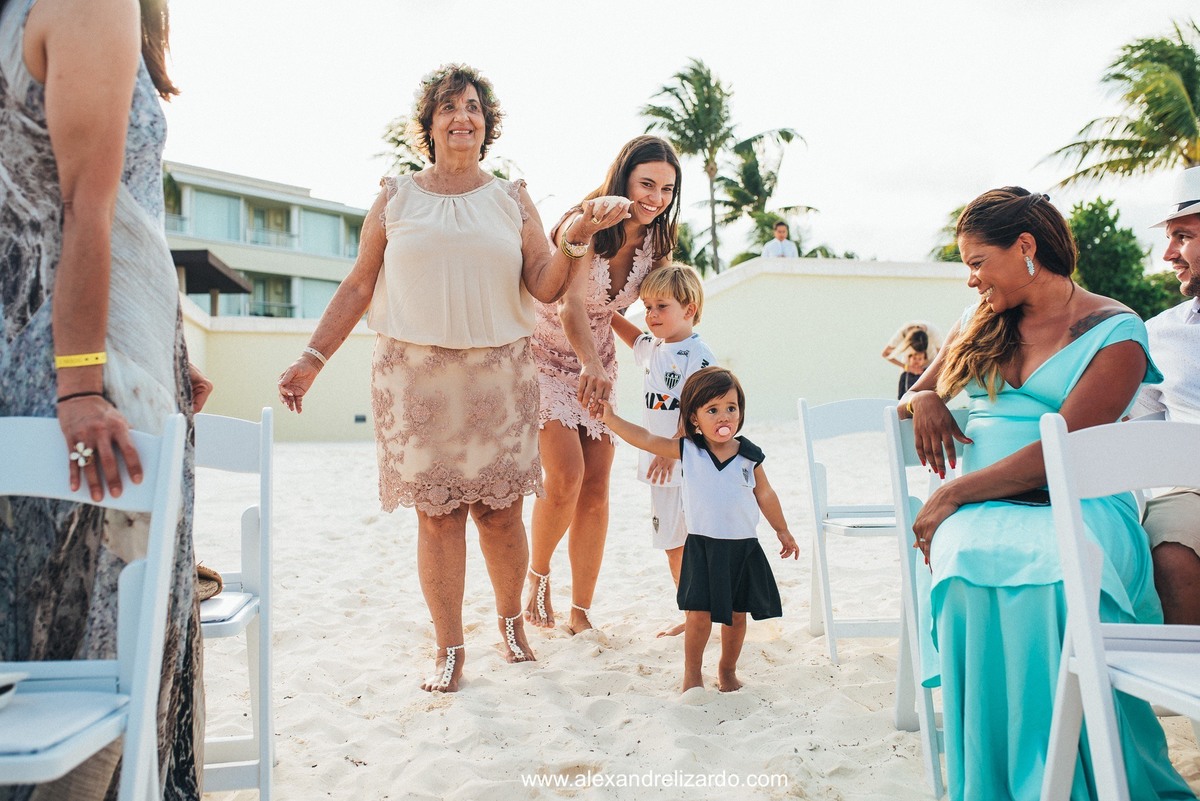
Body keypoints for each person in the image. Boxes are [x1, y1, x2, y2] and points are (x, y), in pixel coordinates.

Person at [276, 64, 600, 693]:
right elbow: (358, 284)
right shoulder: (396, 196)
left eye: (474, 107)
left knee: (500, 514)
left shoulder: (512, 198)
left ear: (487, 124)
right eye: (449, 107)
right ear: (428, 125)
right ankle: (449, 648)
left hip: (499, 377)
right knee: (438, 518)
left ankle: (510, 624)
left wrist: (578, 240)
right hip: (415, 380)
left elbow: (545, 281)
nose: (463, 117)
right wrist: (312, 358)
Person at [901, 187, 1194, 800]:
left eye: (978, 261)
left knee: (1067, 569)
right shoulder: (976, 323)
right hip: (980, 510)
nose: (970, 279)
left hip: (1081, 501)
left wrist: (955, 492)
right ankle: (994, 783)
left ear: (1026, 248)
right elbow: (908, 396)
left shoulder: (1116, 331)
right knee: (964, 564)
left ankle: (1088, 776)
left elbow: (1071, 453)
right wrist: (925, 396)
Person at [0, 0, 209, 798]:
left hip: (51, 336)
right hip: (70, 365)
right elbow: (88, 204)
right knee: (103, 640)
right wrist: (86, 381)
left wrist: (166, 343)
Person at [524, 135, 682, 635]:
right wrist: (588, 363)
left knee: (596, 484)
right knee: (565, 475)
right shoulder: (586, 221)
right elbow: (570, 304)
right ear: (624, 177)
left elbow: (641, 311)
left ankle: (581, 612)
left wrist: (664, 354)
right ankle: (538, 576)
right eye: (647, 184)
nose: (656, 198)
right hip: (545, 356)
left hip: (598, 360)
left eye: (667, 189)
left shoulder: (658, 243)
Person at [597, 367, 798, 692]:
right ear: (694, 419)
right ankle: (692, 673)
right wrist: (610, 419)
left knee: (735, 617)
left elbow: (765, 494)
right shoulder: (689, 451)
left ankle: (727, 670)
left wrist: (782, 530)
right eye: (713, 410)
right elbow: (647, 440)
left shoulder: (749, 456)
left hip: (743, 548)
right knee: (698, 616)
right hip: (703, 548)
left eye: (731, 408)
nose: (724, 416)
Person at [611, 265, 717, 637]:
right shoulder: (652, 348)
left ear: (688, 309)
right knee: (672, 544)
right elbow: (629, 333)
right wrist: (602, 307)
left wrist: (668, 449)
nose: (651, 315)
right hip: (659, 469)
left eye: (661, 306)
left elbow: (698, 406)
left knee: (699, 541)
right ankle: (692, 612)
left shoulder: (698, 353)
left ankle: (712, 611)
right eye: (647, 306)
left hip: (687, 464)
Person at [1132, 165, 1200, 625]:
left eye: (1182, 236)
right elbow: (1131, 433)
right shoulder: (1158, 335)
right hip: (1192, 489)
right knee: (1168, 546)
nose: (1168, 254)